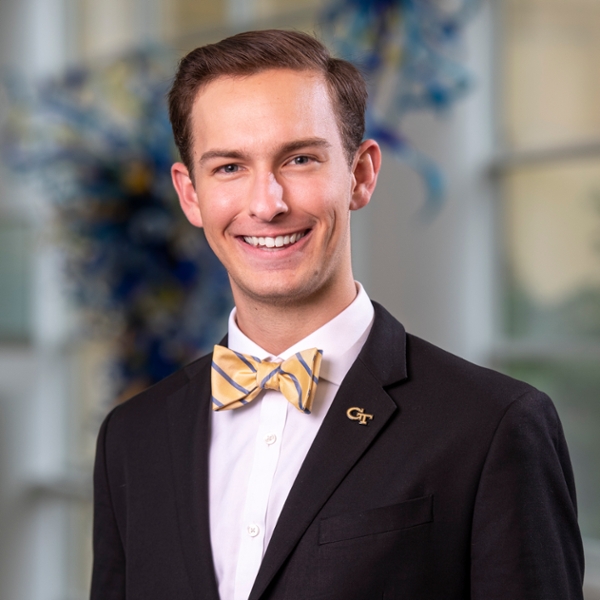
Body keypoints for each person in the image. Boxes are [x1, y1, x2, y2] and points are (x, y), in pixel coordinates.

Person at [90, 29, 584, 600]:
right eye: (229, 167)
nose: (267, 204)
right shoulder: (131, 438)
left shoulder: (494, 426)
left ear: (361, 173)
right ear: (191, 194)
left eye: (299, 159)